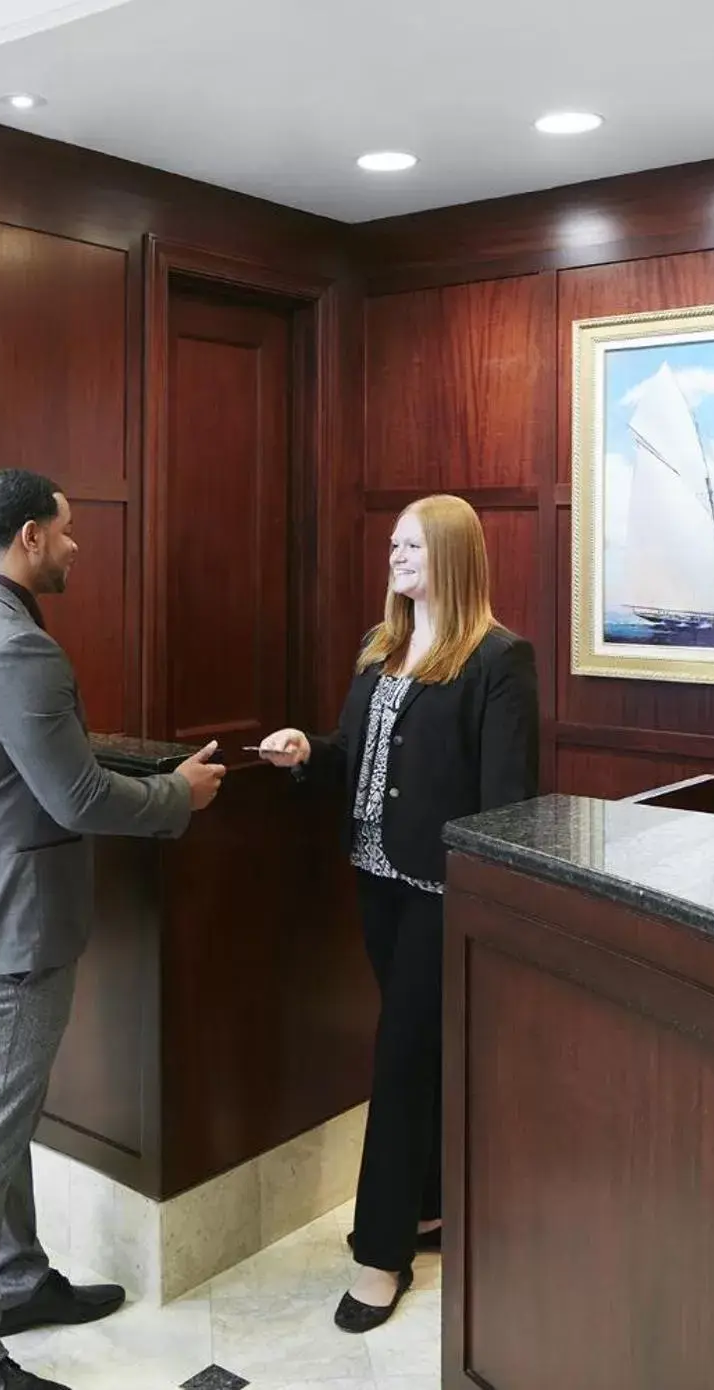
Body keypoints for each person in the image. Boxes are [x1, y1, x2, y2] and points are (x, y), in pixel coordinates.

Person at [0, 468, 226, 1390]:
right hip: (8, 933)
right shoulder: (16, 649)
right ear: (28, 539)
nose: (77, 545)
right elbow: (76, 796)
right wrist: (180, 795)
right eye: (66, 530)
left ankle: (15, 1282)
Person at [258, 493, 538, 1333]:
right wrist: (310, 752)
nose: (395, 557)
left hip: (443, 894)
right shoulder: (380, 648)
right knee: (420, 1055)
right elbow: (362, 757)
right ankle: (425, 1208)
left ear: (453, 552)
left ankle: (379, 1255)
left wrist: (487, 904)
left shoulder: (498, 658)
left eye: (411, 545)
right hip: (375, 879)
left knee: (399, 1064)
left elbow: (506, 802)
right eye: (392, 545)